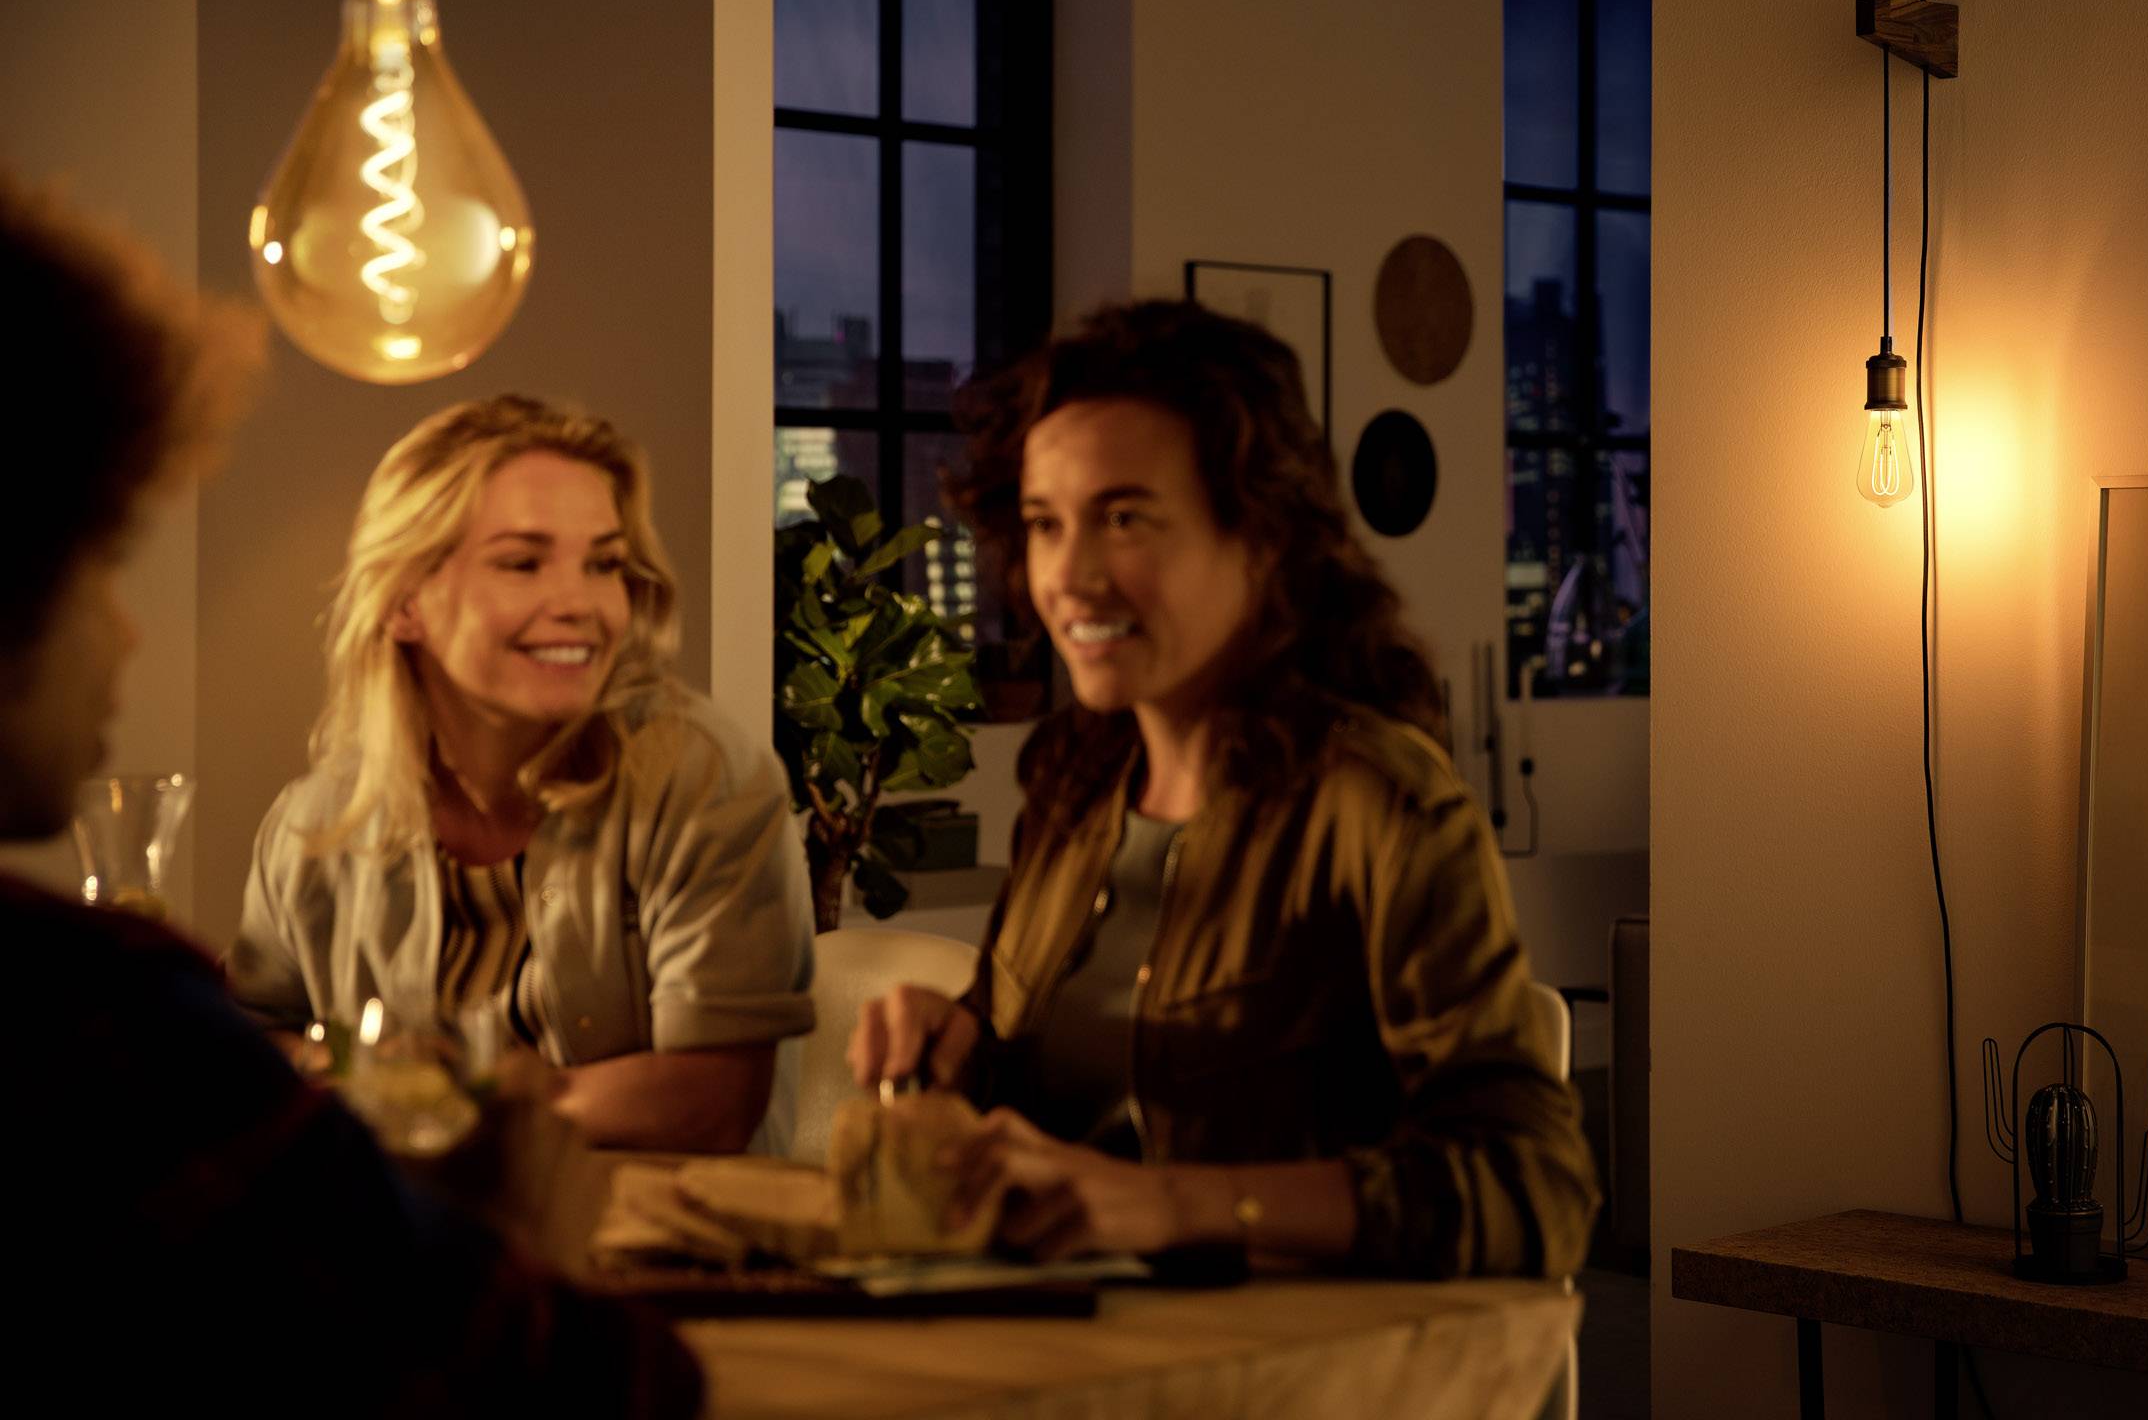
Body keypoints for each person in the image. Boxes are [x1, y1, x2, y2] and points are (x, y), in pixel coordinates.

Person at [0, 171, 702, 1412]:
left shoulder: (696, 777)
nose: (128, 637)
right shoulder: (96, 1023)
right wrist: (513, 1226)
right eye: (103, 560)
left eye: (601, 563)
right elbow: (588, 1388)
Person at [852, 300, 1599, 1277]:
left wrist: (1169, 1206)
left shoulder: (1381, 806)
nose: (1067, 576)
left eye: (1123, 519)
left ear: (1260, 536)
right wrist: (954, 1047)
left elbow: (1532, 1192)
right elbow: (1044, 1093)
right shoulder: (1073, 785)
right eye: (1045, 524)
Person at [226, 395, 816, 1152]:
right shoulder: (312, 824)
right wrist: (338, 1067)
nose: (581, 604)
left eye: (604, 564)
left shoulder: (703, 778)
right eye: (523, 563)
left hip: (654, 1259)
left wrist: (438, 1104)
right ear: (404, 601)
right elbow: (243, 1042)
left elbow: (711, 1099)